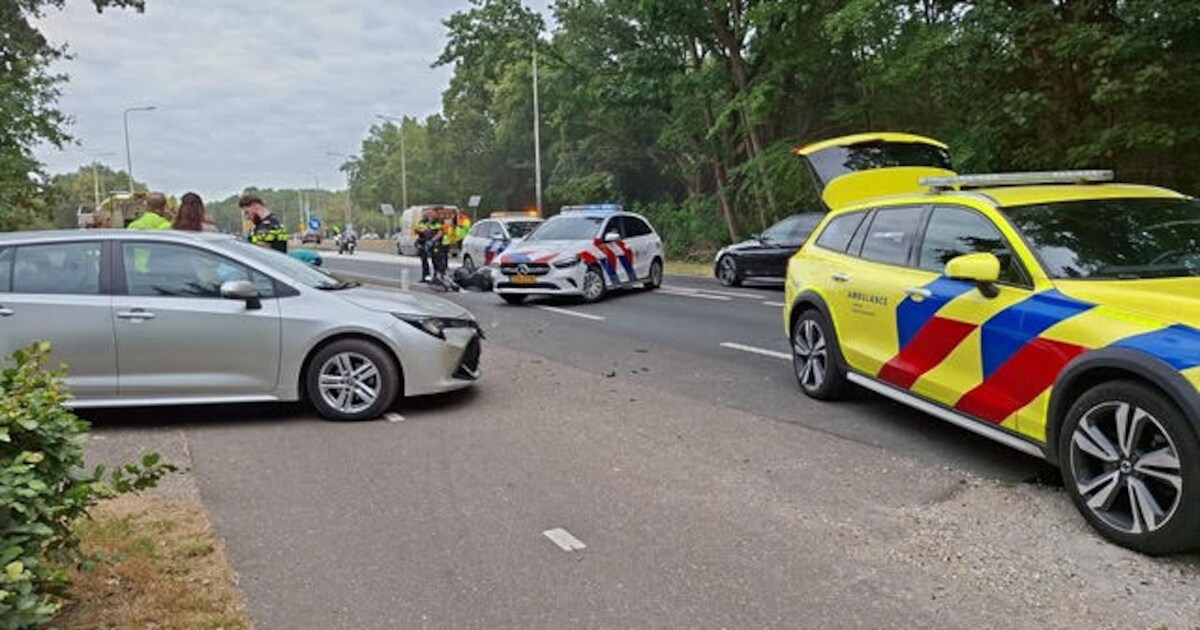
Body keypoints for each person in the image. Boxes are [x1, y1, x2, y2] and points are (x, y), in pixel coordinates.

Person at [415, 208, 437, 282]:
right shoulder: (422, 222)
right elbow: (418, 229)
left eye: (430, 213)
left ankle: (436, 277)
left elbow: (437, 230)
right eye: (427, 213)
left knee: (435, 261)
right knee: (424, 261)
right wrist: (423, 230)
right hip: (423, 242)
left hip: (434, 243)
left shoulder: (436, 222)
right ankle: (425, 277)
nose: (428, 215)